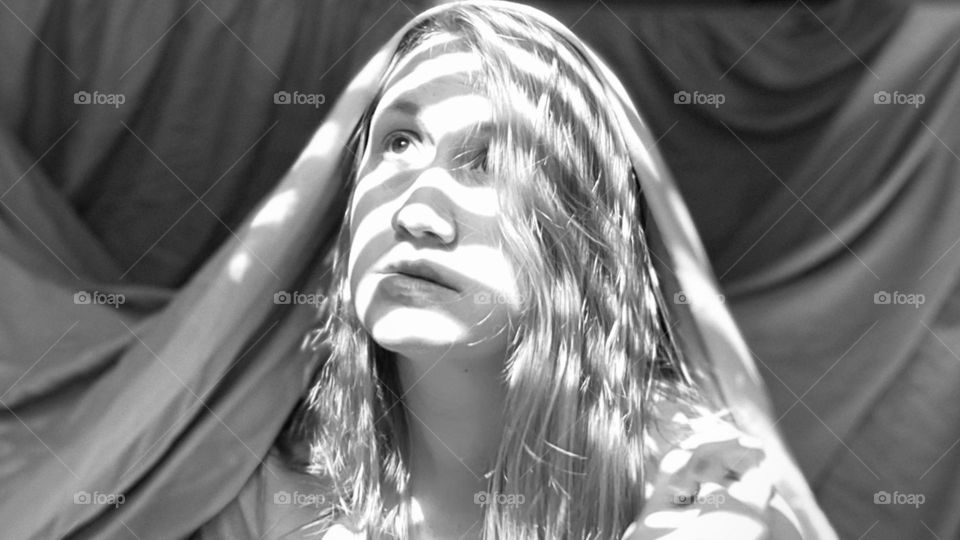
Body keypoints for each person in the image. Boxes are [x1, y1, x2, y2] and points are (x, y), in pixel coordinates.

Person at [243, 2, 807, 539]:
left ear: (583, 234)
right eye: (399, 142)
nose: (416, 215)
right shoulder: (255, 494)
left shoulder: (708, 494)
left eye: (490, 162)